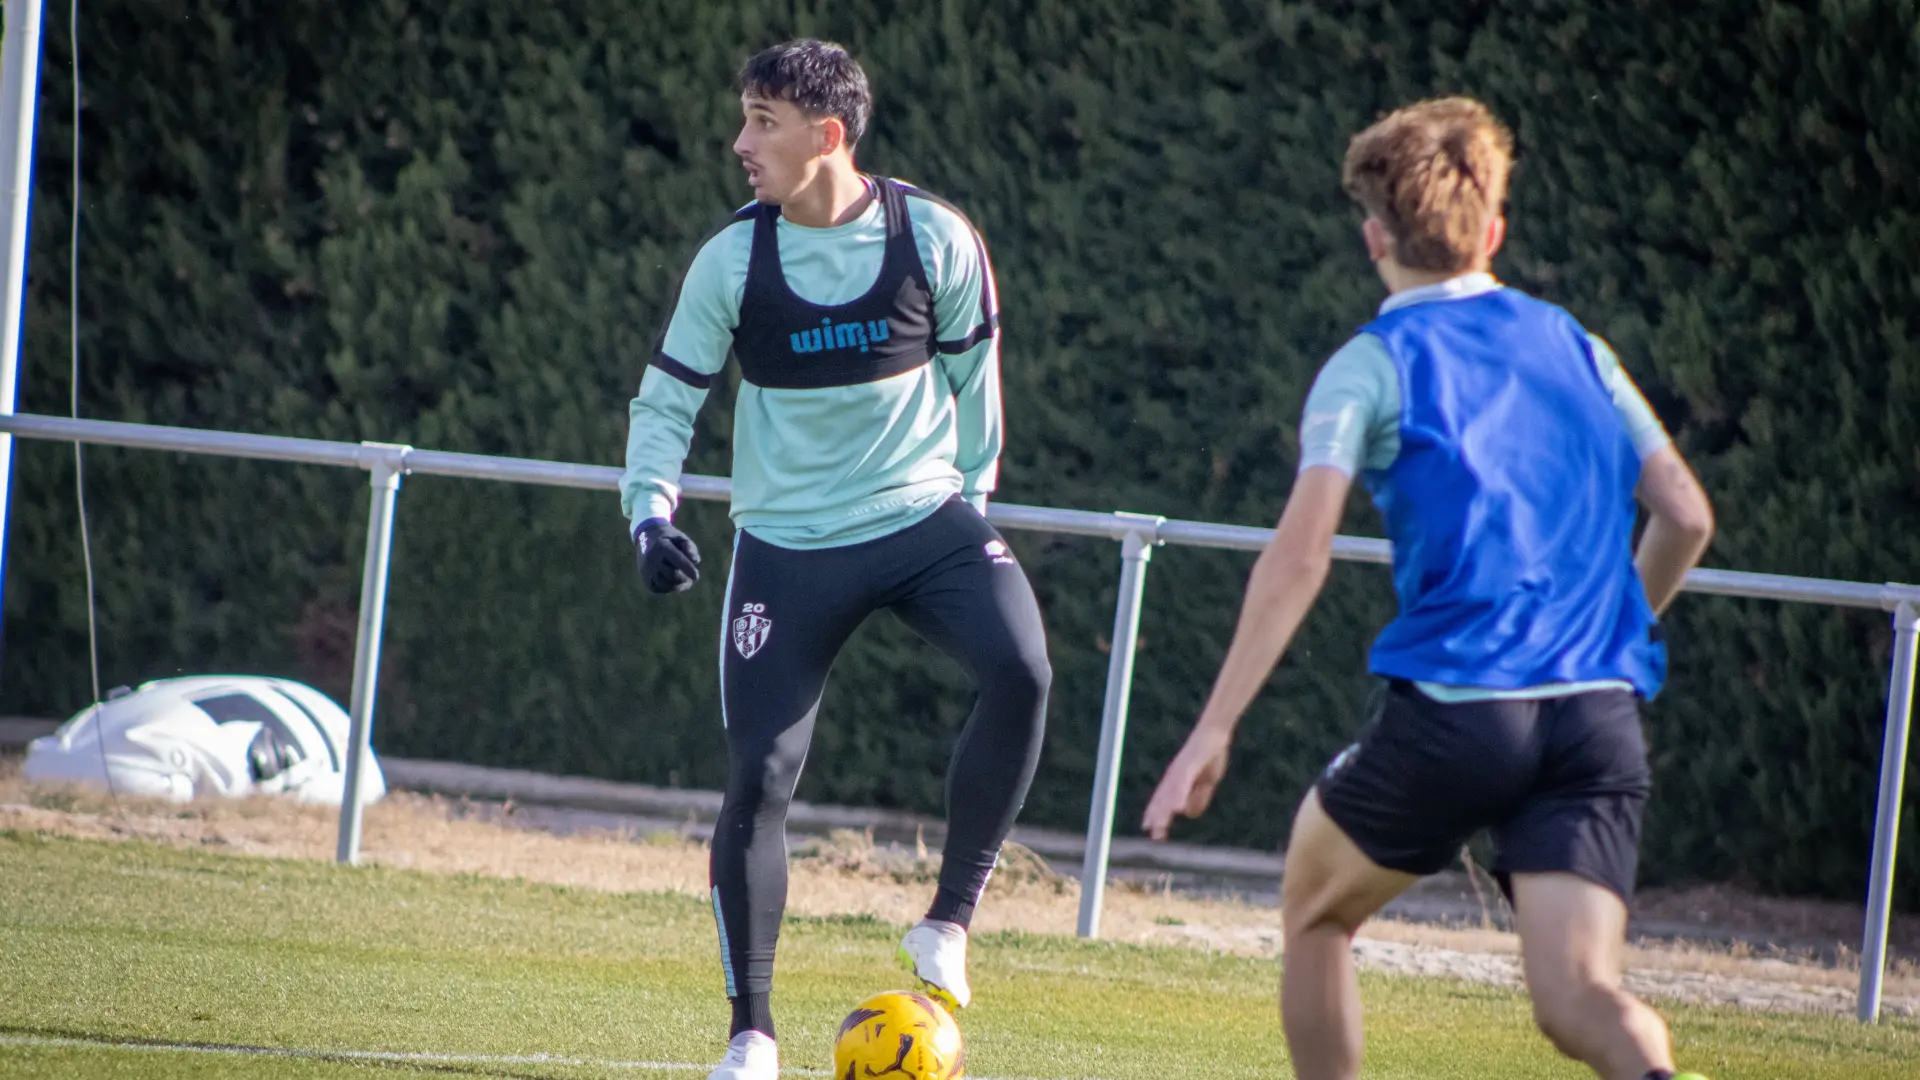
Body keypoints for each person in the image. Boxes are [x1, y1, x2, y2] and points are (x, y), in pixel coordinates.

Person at [1141, 97, 1716, 1080]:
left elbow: (1300, 555)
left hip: (1460, 712)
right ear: (1493, 231)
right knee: (1582, 1001)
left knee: (1319, 909)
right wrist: (1613, 631)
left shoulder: (1368, 365)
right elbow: (1687, 515)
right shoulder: (1575, 343)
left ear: (1375, 239)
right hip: (1595, 717)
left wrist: (1213, 727)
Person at [619, 38, 1051, 1080]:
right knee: (759, 780)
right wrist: (648, 515)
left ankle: (947, 922)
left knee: (1025, 670)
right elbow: (666, 399)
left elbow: (975, 390)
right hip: (787, 547)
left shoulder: (935, 237)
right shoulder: (734, 259)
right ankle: (751, 1038)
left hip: (920, 518)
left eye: (761, 121)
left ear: (828, 136)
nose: (739, 142)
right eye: (744, 117)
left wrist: (971, 513)